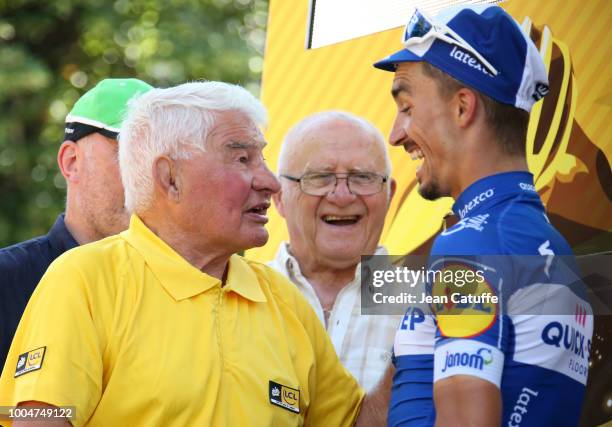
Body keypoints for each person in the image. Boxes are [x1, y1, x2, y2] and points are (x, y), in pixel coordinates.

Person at [0, 81, 365, 427]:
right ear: (170, 178)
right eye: (242, 159)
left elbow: (353, 422)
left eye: (262, 159)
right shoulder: (82, 279)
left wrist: (414, 341)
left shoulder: (283, 298)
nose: (270, 181)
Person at [372, 4, 593, 426]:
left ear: (462, 108)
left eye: (406, 106)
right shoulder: (544, 240)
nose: (396, 134)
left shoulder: (470, 244)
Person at [0, 78, 153, 369]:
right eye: (128, 155)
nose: (145, 178)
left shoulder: (188, 289)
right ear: (71, 161)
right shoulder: (6, 280)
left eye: (159, 161)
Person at [269, 111, 400, 392]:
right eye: (319, 177)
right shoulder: (237, 297)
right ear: (279, 197)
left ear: (389, 194)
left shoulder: (437, 301)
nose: (342, 196)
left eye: (363, 177)